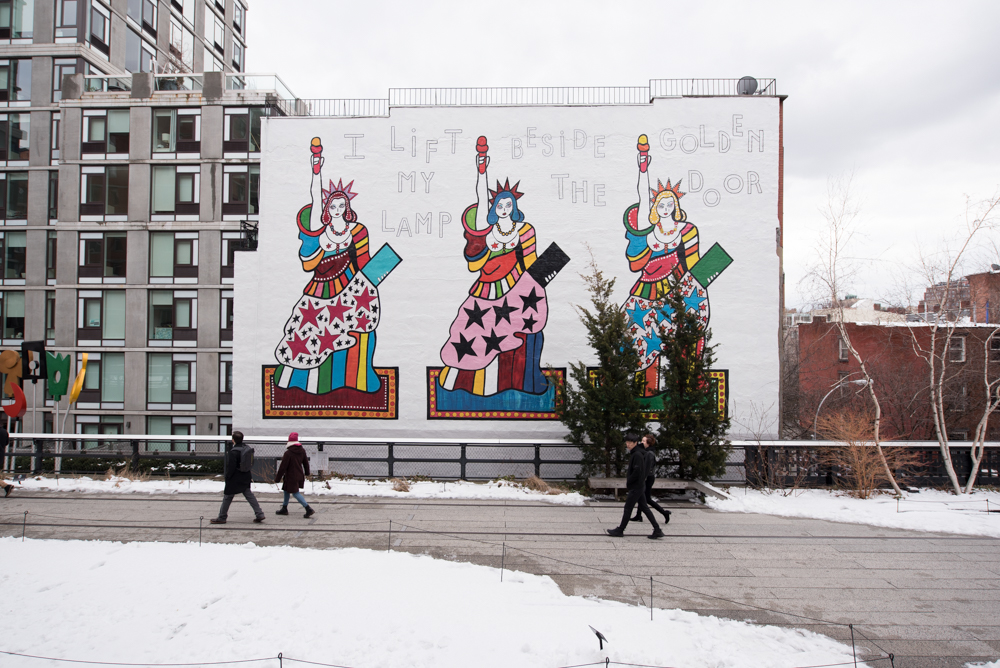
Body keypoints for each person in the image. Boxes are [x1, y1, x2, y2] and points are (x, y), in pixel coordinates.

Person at [437, 139, 551, 396]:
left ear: (514, 207)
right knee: (466, 329)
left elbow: (532, 265)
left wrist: (539, 282)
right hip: (485, 290)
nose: (504, 209)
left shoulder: (525, 230)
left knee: (521, 330)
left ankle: (515, 382)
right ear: (493, 208)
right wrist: (482, 171)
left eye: (508, 204)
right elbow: (480, 200)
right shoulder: (487, 233)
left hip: (516, 288)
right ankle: (459, 380)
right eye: (499, 205)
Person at [272, 138, 383, 394]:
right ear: (327, 208)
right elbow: (315, 198)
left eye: (341, 205)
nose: (337, 209)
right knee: (305, 329)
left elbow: (364, 264)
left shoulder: (358, 231)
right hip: (319, 290)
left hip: (349, 289)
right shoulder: (320, 233)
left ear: (347, 207)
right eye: (332, 205)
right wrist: (316, 171)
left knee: (360, 328)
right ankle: (299, 380)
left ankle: (354, 378)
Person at [621, 140, 711, 396]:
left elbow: (693, 266)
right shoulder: (648, 233)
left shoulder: (687, 230)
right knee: (635, 332)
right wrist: (643, 169)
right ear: (654, 208)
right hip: (646, 290)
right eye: (660, 204)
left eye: (669, 204)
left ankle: (685, 386)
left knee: (683, 333)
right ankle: (645, 390)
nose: (665, 208)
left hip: (678, 289)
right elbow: (642, 196)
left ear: (675, 206)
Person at [606, 432, 664, 539]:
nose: (628, 444)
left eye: (630, 442)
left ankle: (620, 530)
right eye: (627, 442)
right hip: (639, 485)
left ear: (635, 443)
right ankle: (657, 530)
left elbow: (637, 471)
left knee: (628, 508)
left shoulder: (637, 454)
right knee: (644, 508)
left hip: (636, 486)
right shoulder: (637, 453)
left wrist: (629, 481)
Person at [210, 431, 264, 525]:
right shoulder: (246, 448)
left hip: (235, 478)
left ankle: (222, 517)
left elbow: (231, 467)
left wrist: (228, 477)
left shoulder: (233, 452)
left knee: (227, 496)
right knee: (249, 495)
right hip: (246, 475)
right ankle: (259, 514)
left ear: (233, 440)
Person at [629, 433, 672, 525]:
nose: (641, 442)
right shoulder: (646, 452)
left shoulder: (649, 453)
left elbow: (647, 468)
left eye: (643, 441)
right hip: (647, 477)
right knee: (641, 496)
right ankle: (638, 515)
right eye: (642, 440)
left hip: (647, 478)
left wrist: (642, 478)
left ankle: (664, 513)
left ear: (648, 443)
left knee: (647, 498)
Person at [274, 432, 314, 518]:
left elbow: (282, 467)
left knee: (295, 493)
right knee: (286, 489)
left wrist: (277, 478)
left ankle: (308, 508)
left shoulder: (288, 453)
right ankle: (284, 508)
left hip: (291, 476)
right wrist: (307, 472)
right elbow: (305, 463)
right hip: (299, 474)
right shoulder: (302, 451)